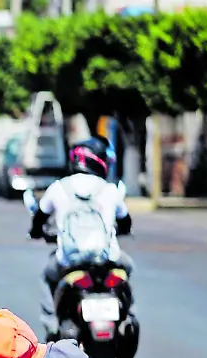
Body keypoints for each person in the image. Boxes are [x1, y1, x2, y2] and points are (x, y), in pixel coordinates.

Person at [30, 137, 135, 337]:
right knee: (128, 267)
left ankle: (52, 322)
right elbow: (125, 221)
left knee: (47, 275)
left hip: (69, 260)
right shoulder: (109, 189)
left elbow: (40, 217)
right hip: (107, 259)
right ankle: (129, 315)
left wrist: (36, 231)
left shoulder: (59, 188)